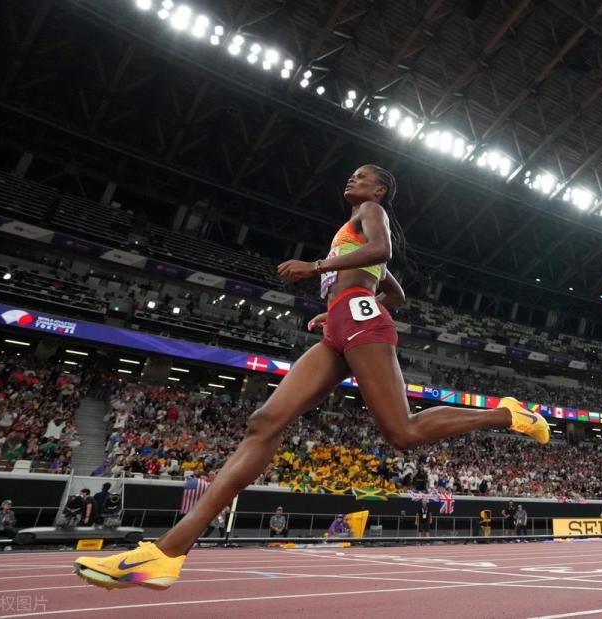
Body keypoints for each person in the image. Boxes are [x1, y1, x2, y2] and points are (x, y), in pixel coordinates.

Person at [75, 165, 549, 590]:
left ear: (379, 190)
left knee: (402, 432)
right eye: (352, 177)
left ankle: (507, 414)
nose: (352, 181)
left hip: (359, 322)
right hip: (342, 326)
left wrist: (322, 272)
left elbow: (383, 251)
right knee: (264, 422)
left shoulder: (368, 212)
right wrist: (339, 310)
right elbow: (396, 292)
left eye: (363, 177)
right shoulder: (352, 228)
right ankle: (167, 553)